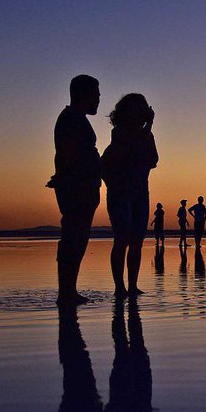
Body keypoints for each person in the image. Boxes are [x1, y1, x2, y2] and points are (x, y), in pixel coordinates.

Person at [48, 74, 102, 306]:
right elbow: (65, 152)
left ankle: (69, 290)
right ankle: (66, 291)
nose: (99, 99)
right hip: (77, 188)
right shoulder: (72, 118)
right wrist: (62, 177)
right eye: (97, 94)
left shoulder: (74, 118)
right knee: (74, 237)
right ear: (86, 95)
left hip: (81, 186)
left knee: (77, 237)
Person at [101, 93, 158, 297]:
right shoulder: (120, 134)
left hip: (141, 193)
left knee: (137, 241)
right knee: (122, 239)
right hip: (121, 194)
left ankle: (132, 285)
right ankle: (120, 287)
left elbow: (152, 160)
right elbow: (131, 150)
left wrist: (148, 131)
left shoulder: (146, 135)